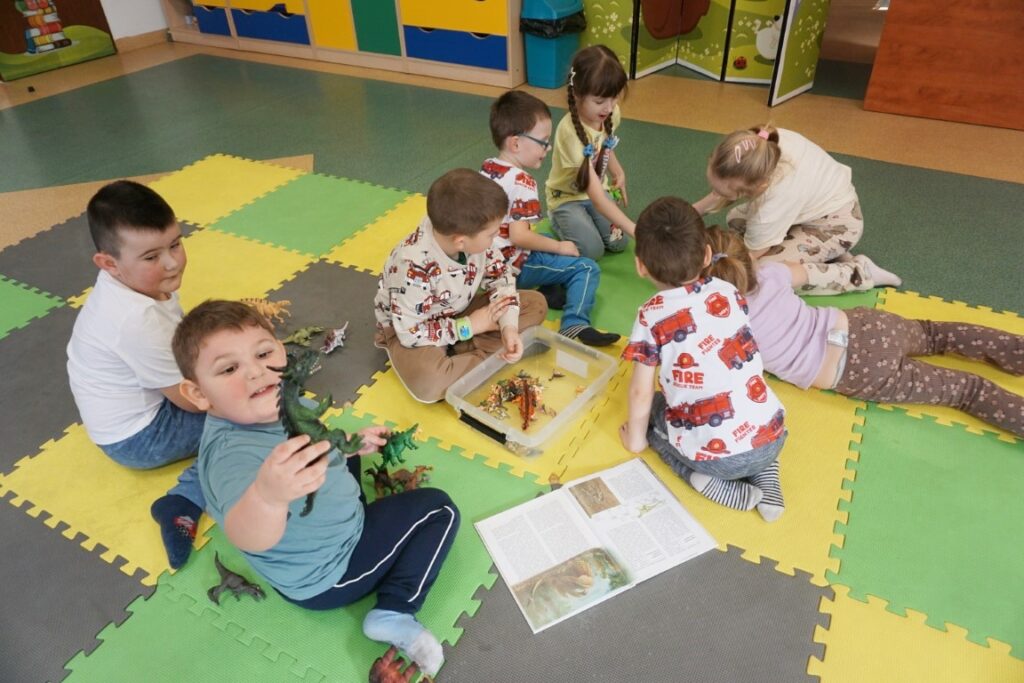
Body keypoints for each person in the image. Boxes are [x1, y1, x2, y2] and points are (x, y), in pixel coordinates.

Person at [174, 300, 459, 677]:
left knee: (342, 453)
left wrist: (348, 445)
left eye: (263, 353)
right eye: (229, 368)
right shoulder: (231, 458)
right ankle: (394, 611)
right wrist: (267, 498)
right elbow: (245, 535)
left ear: (281, 350)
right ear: (198, 394)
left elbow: (316, 442)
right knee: (440, 509)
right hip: (331, 575)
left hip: (322, 524)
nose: (256, 372)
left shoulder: (278, 400)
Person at [702, 226, 1024, 437]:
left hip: (858, 372)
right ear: (747, 258)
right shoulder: (771, 272)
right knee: (934, 334)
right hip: (867, 326)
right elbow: (810, 273)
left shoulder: (720, 325)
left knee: (966, 391)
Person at [66, 180, 206, 569]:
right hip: (139, 437)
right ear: (109, 263)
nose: (172, 263)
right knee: (259, 415)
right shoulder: (135, 319)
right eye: (151, 256)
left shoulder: (137, 283)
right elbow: (190, 401)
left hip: (144, 408)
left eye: (175, 244)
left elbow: (178, 337)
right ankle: (185, 499)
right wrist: (254, 392)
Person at [620, 197, 787, 521]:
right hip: (773, 436)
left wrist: (636, 442)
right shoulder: (727, 291)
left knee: (654, 417)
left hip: (716, 461)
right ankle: (768, 480)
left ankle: (706, 482)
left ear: (640, 266)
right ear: (708, 254)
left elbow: (640, 392)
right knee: (748, 428)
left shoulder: (651, 314)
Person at [374, 168, 548, 403]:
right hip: (413, 330)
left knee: (535, 304)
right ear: (460, 241)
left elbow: (501, 278)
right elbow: (409, 332)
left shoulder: (473, 237)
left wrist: (508, 327)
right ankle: (476, 352)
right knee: (430, 383)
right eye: (492, 234)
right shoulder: (412, 265)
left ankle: (463, 353)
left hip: (458, 312)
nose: (496, 238)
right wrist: (469, 327)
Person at [692, 125, 900, 296]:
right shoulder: (760, 145)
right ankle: (827, 251)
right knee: (736, 219)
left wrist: (710, 270)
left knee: (765, 274)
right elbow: (723, 191)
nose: (716, 193)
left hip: (838, 224)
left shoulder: (773, 202)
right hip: (809, 208)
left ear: (757, 186)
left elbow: (748, 259)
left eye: (724, 192)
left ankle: (859, 273)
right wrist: (692, 212)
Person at [483, 90, 619, 347]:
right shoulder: (522, 181)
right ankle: (575, 323)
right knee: (587, 267)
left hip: (486, 262)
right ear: (515, 144)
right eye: (543, 142)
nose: (547, 148)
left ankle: (550, 288)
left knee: (543, 236)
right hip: (510, 268)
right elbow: (519, 237)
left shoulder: (489, 166)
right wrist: (559, 246)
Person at [546, 45, 636, 261]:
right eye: (599, 101)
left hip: (596, 191)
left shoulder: (610, 114)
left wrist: (618, 172)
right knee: (592, 251)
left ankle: (584, 223)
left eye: (614, 98)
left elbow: (604, 145)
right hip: (567, 198)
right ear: (577, 94)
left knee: (618, 242)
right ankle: (556, 219)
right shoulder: (569, 133)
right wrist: (636, 230)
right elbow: (596, 196)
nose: (609, 107)